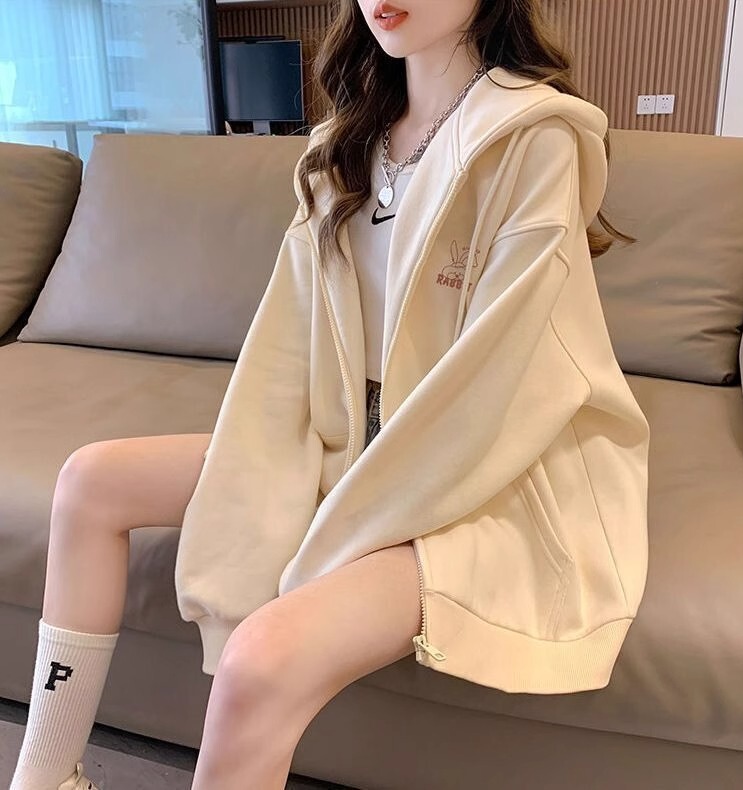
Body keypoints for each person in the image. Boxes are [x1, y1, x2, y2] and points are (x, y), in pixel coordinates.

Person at [10, 0, 651, 788]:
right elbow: (287, 348)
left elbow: (495, 386)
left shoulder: (535, 138)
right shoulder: (341, 146)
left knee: (261, 656)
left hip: (479, 474)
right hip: (348, 442)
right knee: (89, 481)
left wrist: (326, 536)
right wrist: (265, 469)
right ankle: (45, 778)